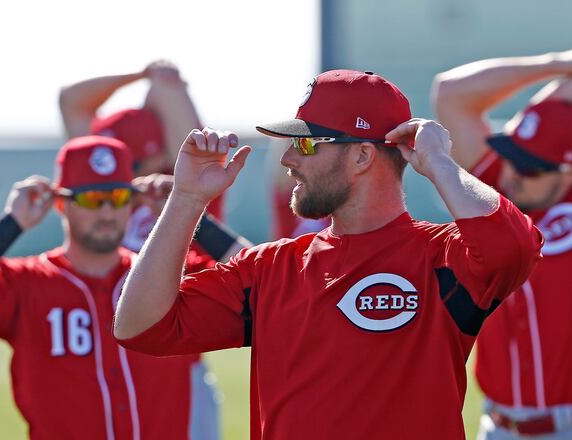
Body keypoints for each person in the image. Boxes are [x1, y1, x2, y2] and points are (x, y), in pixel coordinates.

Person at [113, 69, 543, 439]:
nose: (287, 160)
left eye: (306, 145)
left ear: (360, 156)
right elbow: (138, 326)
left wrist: (439, 163)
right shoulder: (270, 267)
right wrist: (186, 199)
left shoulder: (439, 257)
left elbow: (515, 247)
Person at [0, 136, 214, 439]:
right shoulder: (28, 280)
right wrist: (13, 222)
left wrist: (187, 205)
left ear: (133, 200)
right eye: (90, 198)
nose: (106, 212)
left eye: (117, 197)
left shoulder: (172, 276)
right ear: (61, 204)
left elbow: (257, 291)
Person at [432, 44, 572, 438]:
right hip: (499, 427)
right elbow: (450, 93)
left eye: (529, 166)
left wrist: (550, 104)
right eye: (512, 151)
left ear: (569, 172)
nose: (511, 171)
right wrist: (555, 65)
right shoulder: (497, 185)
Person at [59, 59, 250, 261]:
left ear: (158, 158)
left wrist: (155, 75)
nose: (117, 174)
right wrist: (141, 74)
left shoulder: (193, 181)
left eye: (130, 164)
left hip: (186, 286)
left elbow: (166, 88)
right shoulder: (99, 195)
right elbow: (71, 100)